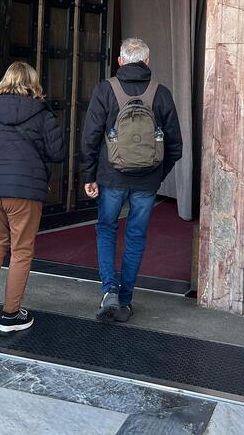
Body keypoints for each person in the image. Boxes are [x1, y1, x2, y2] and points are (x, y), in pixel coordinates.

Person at [79, 37, 182, 322]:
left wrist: (89, 174)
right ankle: (125, 300)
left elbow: (89, 137)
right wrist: (158, 175)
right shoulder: (161, 93)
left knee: (106, 229)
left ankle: (109, 290)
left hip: (111, 176)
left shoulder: (105, 89)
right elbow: (175, 145)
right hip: (147, 181)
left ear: (120, 61)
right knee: (136, 236)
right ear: (147, 62)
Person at [0, 61, 64, 333]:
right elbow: (58, 153)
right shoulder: (42, 114)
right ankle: (11, 315)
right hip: (24, 190)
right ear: (32, 84)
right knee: (21, 250)